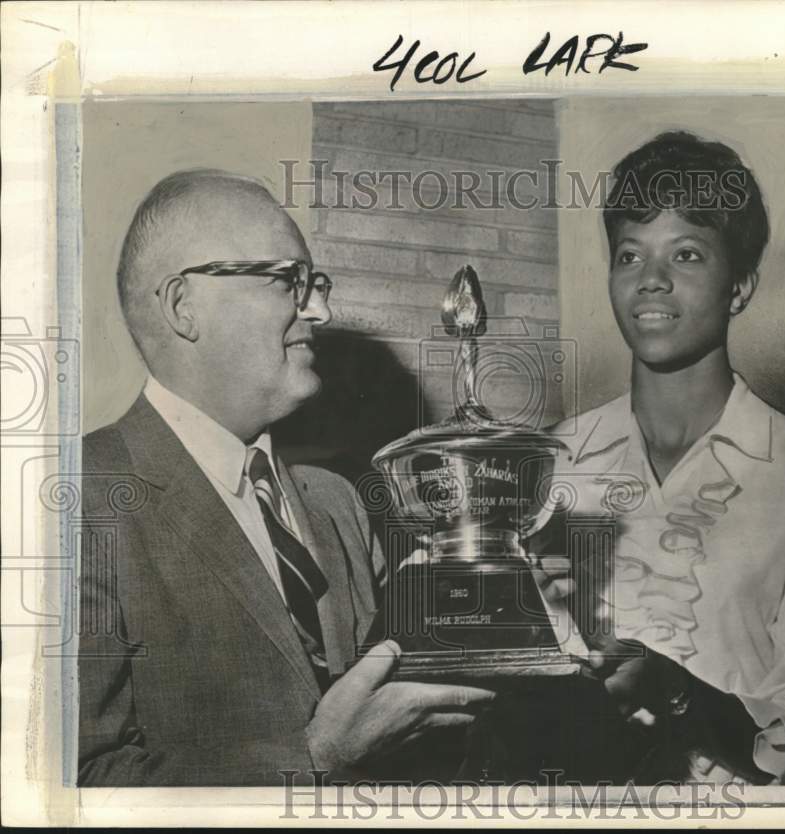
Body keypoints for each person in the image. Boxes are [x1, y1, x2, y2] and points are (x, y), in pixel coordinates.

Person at [77, 169, 494, 786]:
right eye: (288, 281)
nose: (320, 310)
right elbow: (68, 787)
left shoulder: (336, 502)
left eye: (315, 283)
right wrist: (313, 760)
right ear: (182, 306)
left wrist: (505, 639)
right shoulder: (77, 498)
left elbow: (396, 727)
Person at [548, 132, 785, 785]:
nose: (651, 281)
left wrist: (677, 692)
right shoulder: (556, 458)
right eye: (630, 255)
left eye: (686, 254)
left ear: (740, 286)